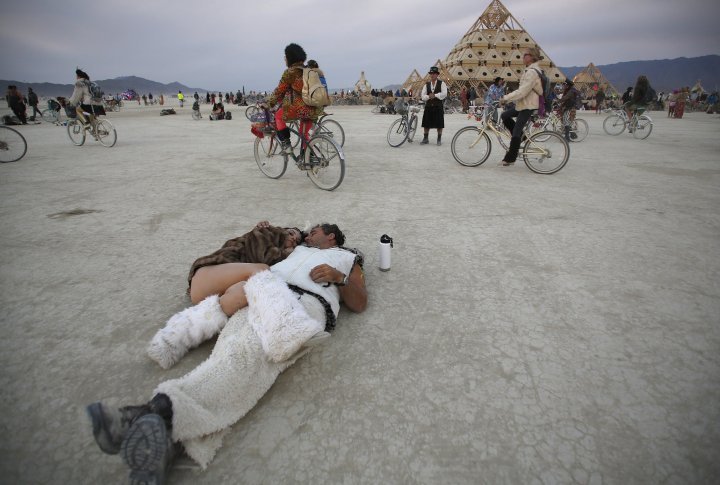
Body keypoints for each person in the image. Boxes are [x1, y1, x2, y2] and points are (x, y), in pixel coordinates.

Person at [86, 223, 367, 483]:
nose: (309, 233)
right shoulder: (295, 250)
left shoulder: (348, 258)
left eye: (316, 230)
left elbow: (360, 302)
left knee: (243, 358)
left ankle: (147, 415)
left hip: (306, 305)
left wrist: (339, 277)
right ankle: (169, 445)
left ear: (331, 236)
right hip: (266, 293)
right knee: (234, 354)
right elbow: (253, 253)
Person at [264, 43, 322, 154]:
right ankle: (309, 158)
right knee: (304, 134)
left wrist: (269, 103)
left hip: (300, 109)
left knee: (278, 116)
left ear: (290, 57)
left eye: (285, 56)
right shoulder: (309, 71)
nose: (284, 59)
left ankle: (286, 144)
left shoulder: (290, 72)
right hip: (315, 108)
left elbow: (279, 91)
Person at [499, 47, 543, 166]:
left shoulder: (532, 72)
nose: (523, 57)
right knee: (505, 115)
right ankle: (522, 138)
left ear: (532, 57)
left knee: (516, 131)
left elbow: (522, 91)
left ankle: (510, 158)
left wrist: (506, 98)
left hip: (528, 105)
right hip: (524, 104)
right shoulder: (529, 70)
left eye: (525, 55)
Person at [420, 66, 447, 145]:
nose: (432, 75)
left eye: (434, 73)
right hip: (428, 106)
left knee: (439, 124)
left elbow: (444, 94)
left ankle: (439, 139)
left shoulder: (442, 83)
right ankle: (425, 138)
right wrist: (429, 96)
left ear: (437, 75)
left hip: (438, 106)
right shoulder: (426, 85)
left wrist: (435, 95)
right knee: (426, 123)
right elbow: (423, 96)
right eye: (431, 73)